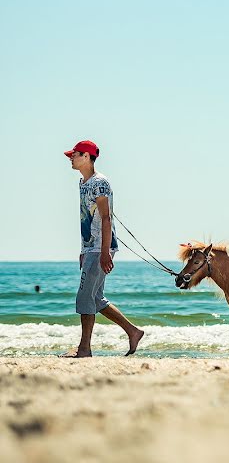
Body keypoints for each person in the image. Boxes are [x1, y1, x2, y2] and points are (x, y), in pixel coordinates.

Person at [61, 140, 144, 358]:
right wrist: (83, 249)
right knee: (95, 298)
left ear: (87, 156)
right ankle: (133, 331)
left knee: (84, 297)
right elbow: (87, 219)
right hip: (92, 247)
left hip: (101, 247)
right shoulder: (84, 182)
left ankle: (84, 349)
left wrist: (105, 251)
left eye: (75, 154)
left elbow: (106, 218)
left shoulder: (100, 182)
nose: (71, 158)